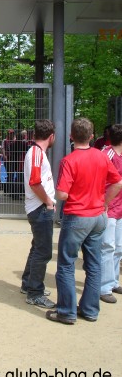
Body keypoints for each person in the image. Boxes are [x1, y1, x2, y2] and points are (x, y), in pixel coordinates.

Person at [47, 118, 122, 325]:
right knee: (94, 263)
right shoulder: (101, 157)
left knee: (66, 264)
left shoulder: (69, 160)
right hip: (98, 216)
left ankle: (67, 311)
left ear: (71, 136)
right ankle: (89, 310)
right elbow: (117, 183)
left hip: (77, 216)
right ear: (91, 136)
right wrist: (105, 202)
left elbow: (62, 194)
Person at [21, 120, 56, 308]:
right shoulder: (36, 153)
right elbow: (35, 182)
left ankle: (28, 284)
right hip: (40, 208)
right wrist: (48, 201)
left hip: (40, 207)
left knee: (37, 248)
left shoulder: (36, 152)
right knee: (43, 251)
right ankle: (35, 292)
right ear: (51, 136)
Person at [100, 123, 122, 303]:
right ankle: (104, 286)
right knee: (108, 246)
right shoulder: (106, 154)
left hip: (120, 208)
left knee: (118, 247)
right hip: (109, 207)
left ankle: (113, 281)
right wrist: (104, 202)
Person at [2, 129, 16, 193]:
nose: (11, 135)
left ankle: (10, 189)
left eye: (12, 133)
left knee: (12, 174)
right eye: (10, 133)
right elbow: (3, 148)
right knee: (9, 173)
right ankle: (7, 189)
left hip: (13, 159)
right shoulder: (5, 141)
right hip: (7, 159)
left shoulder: (14, 141)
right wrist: (4, 155)